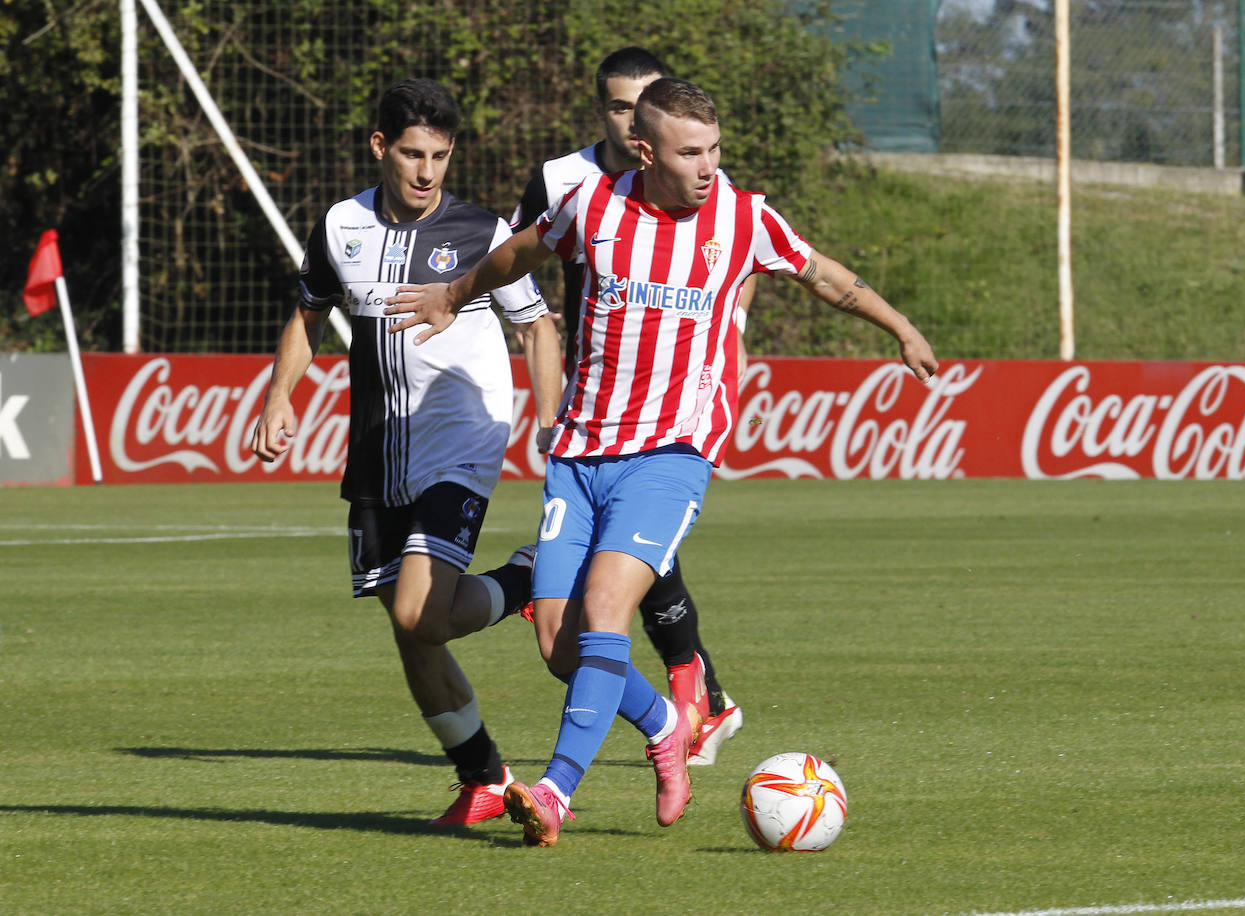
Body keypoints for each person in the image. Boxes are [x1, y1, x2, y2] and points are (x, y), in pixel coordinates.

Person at [384, 77, 937, 847]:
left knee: (607, 609)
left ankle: (553, 793)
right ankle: (665, 727)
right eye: (689, 153)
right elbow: (518, 252)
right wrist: (454, 292)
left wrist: (899, 325)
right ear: (645, 151)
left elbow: (824, 275)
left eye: (714, 149)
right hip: (581, 451)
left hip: (673, 451)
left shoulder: (741, 218)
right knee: (560, 645)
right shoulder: (593, 205)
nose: (708, 167)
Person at [250, 78, 563, 828]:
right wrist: (279, 395)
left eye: (441, 156)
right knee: (408, 623)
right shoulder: (340, 225)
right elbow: (309, 312)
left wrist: (549, 418)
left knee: (422, 612)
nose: (427, 172)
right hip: (378, 449)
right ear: (380, 147)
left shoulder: (482, 232)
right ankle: (482, 776)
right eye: (414, 154)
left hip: (463, 438)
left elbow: (539, 327)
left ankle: (525, 581)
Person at [510, 46, 742, 767]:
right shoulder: (565, 181)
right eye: (617, 103)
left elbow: (733, 285)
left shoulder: (701, 180)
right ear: (611, 115)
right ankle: (693, 702)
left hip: (663, 419)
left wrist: (720, 375)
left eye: (642, 100)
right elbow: (522, 281)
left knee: (627, 582)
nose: (628, 114)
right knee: (592, 613)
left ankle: (687, 698)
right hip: (590, 415)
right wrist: (550, 404)